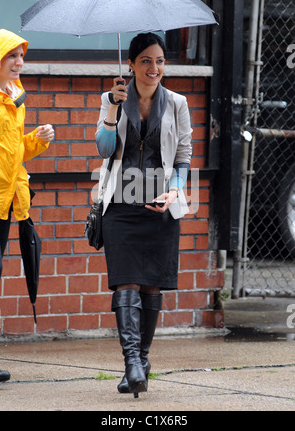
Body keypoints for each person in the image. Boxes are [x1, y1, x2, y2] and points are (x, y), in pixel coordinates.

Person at [96, 32, 192, 398]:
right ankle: (132, 362)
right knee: (126, 283)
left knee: (151, 286)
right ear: (132, 64)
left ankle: (143, 359)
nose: (154, 68)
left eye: (160, 61)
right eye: (147, 61)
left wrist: (176, 191)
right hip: (120, 206)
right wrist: (111, 110)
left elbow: (183, 154)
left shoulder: (178, 103)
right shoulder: (113, 99)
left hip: (160, 207)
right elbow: (105, 150)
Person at [0, 29, 54, 382]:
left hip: (5, 202)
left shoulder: (16, 97)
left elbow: (13, 153)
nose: (19, 62)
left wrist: (37, 140)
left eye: (21, 56)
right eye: (11, 56)